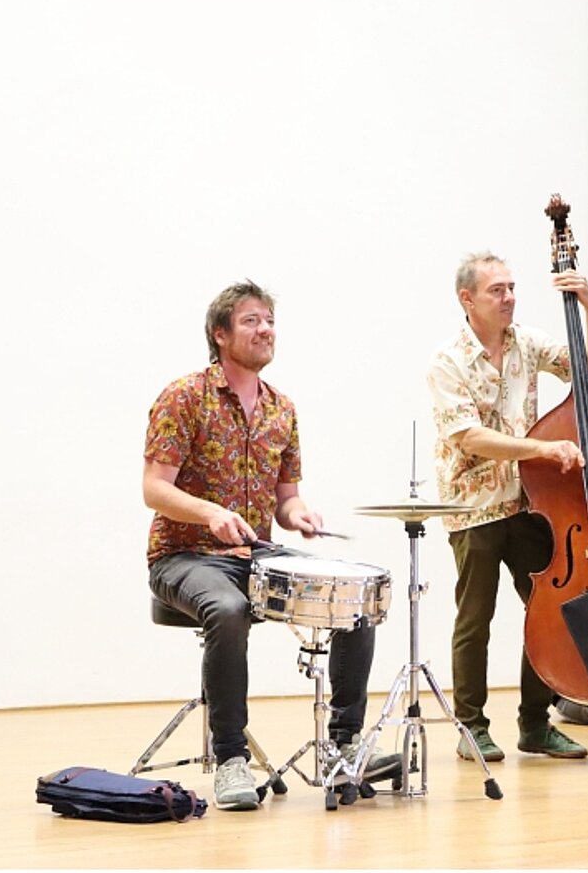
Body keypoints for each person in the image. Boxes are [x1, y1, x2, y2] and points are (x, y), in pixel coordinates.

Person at [143, 280, 399, 810]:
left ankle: (343, 747)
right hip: (183, 555)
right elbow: (154, 490)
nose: (265, 330)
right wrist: (210, 512)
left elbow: (285, 500)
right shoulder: (183, 396)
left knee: (353, 595)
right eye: (250, 321)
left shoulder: (283, 409)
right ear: (220, 335)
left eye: (269, 321)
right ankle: (231, 759)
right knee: (229, 609)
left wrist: (298, 513)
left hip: (256, 553)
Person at [426, 251, 588, 763]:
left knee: (548, 612)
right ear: (468, 299)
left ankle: (536, 723)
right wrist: (543, 450)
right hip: (475, 507)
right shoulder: (448, 362)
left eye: (511, 288)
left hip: (530, 504)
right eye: (497, 290)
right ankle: (471, 727)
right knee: (476, 619)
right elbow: (470, 436)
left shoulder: (527, 344)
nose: (509, 297)